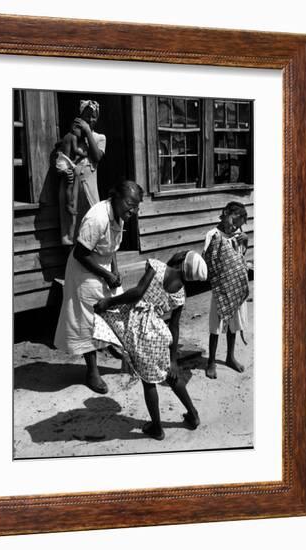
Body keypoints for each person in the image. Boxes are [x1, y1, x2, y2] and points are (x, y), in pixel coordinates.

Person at [93, 250, 208, 440]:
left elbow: (137, 293)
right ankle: (193, 414)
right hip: (160, 335)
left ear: (181, 262)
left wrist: (109, 302)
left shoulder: (157, 267)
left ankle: (157, 427)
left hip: (140, 331)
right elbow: (174, 326)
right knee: (171, 376)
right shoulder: (180, 294)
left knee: (148, 382)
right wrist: (173, 360)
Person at [54, 180, 143, 394]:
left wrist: (115, 270)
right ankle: (92, 372)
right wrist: (106, 274)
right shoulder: (97, 218)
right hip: (84, 270)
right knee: (88, 320)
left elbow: (111, 248)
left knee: (117, 309)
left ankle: (117, 349)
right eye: (131, 204)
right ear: (117, 198)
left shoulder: (120, 214)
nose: (134, 210)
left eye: (137, 205)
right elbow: (80, 253)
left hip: (103, 266)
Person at [203, 201, 249, 380]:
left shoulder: (238, 234)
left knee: (234, 324)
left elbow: (240, 256)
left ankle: (230, 357)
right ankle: (211, 362)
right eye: (233, 221)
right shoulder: (213, 234)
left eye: (238, 225)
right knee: (216, 324)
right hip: (221, 289)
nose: (235, 227)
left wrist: (245, 241)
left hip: (236, 286)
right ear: (225, 213)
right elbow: (208, 259)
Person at [59, 99, 106, 246]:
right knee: (71, 222)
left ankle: (94, 252)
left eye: (93, 117)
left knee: (94, 218)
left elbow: (97, 156)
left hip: (89, 185)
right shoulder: (72, 137)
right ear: (79, 118)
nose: (90, 120)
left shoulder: (99, 137)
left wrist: (87, 132)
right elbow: (62, 159)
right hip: (72, 185)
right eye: (86, 116)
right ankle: (72, 254)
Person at [53, 121, 88, 246]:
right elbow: (75, 150)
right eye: (80, 131)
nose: (80, 135)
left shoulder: (65, 137)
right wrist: (83, 154)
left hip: (63, 160)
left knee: (69, 185)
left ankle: (69, 204)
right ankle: (69, 204)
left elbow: (61, 147)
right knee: (69, 184)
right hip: (65, 163)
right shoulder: (73, 137)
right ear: (74, 128)